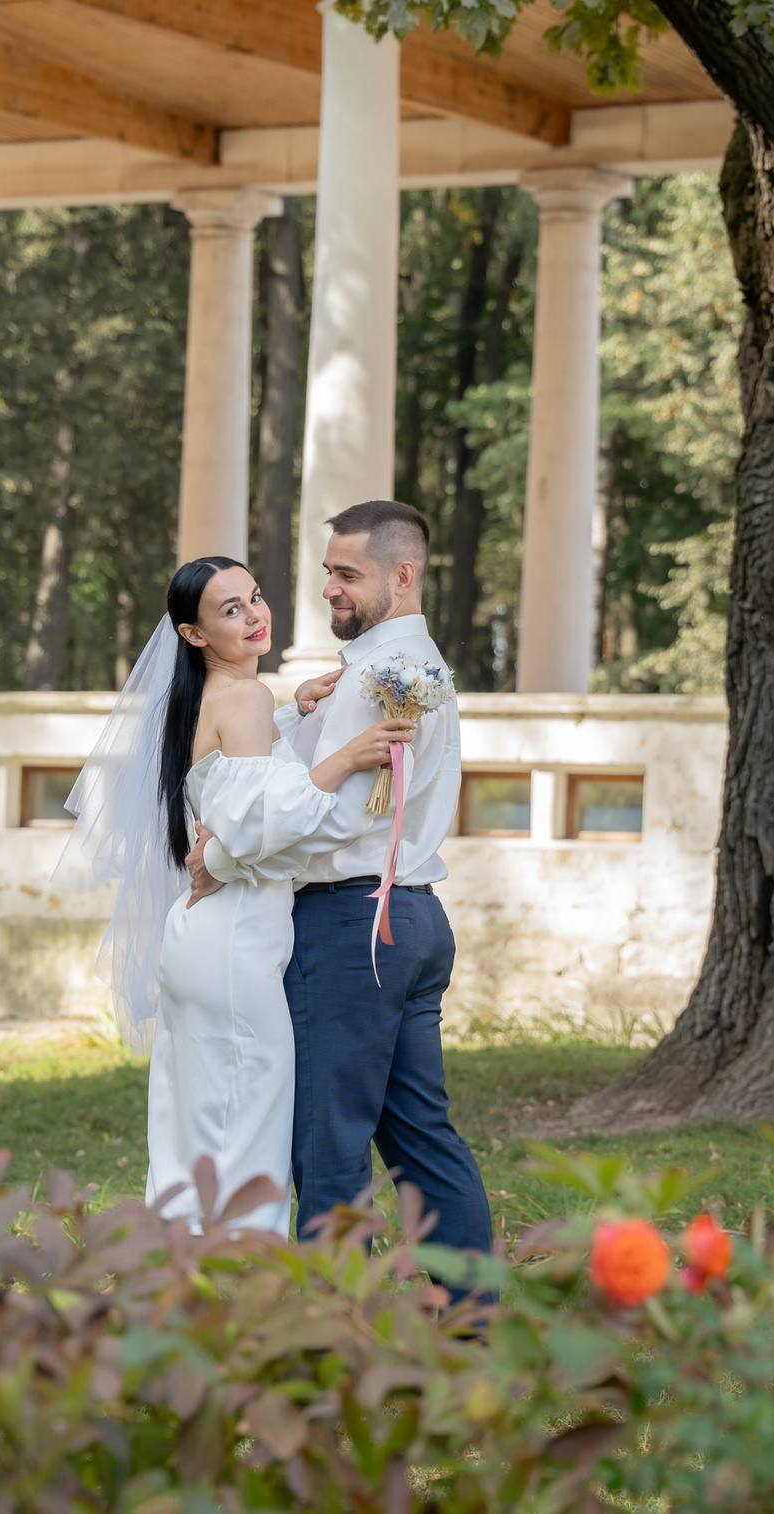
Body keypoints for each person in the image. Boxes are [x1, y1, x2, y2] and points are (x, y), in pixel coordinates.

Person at [52, 555, 413, 1236]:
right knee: (248, 1129)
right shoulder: (241, 699)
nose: (254, 617)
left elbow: (237, 793)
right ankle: (241, 1292)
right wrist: (347, 755)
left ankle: (180, 1282)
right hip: (234, 947)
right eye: (230, 610)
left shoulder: (214, 699)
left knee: (194, 1127)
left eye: (254, 597)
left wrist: (294, 713)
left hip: (199, 939)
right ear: (193, 634)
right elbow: (269, 820)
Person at [193, 501, 493, 1252]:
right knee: (423, 1139)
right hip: (411, 919)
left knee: (325, 1148)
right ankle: (474, 1326)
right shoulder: (405, 667)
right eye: (328, 572)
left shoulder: (382, 677)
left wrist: (219, 859)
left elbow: (336, 819)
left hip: (354, 926)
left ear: (403, 575)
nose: (330, 588)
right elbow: (300, 782)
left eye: (348, 575)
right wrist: (296, 717)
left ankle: (333, 1342)